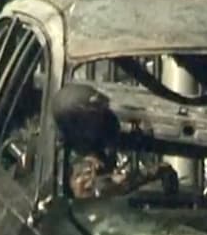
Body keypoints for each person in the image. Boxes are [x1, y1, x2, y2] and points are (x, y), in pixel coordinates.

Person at [51, 83, 179, 199]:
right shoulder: (76, 172)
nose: (104, 122)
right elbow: (99, 193)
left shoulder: (99, 148)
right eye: (97, 119)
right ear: (80, 127)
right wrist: (150, 174)